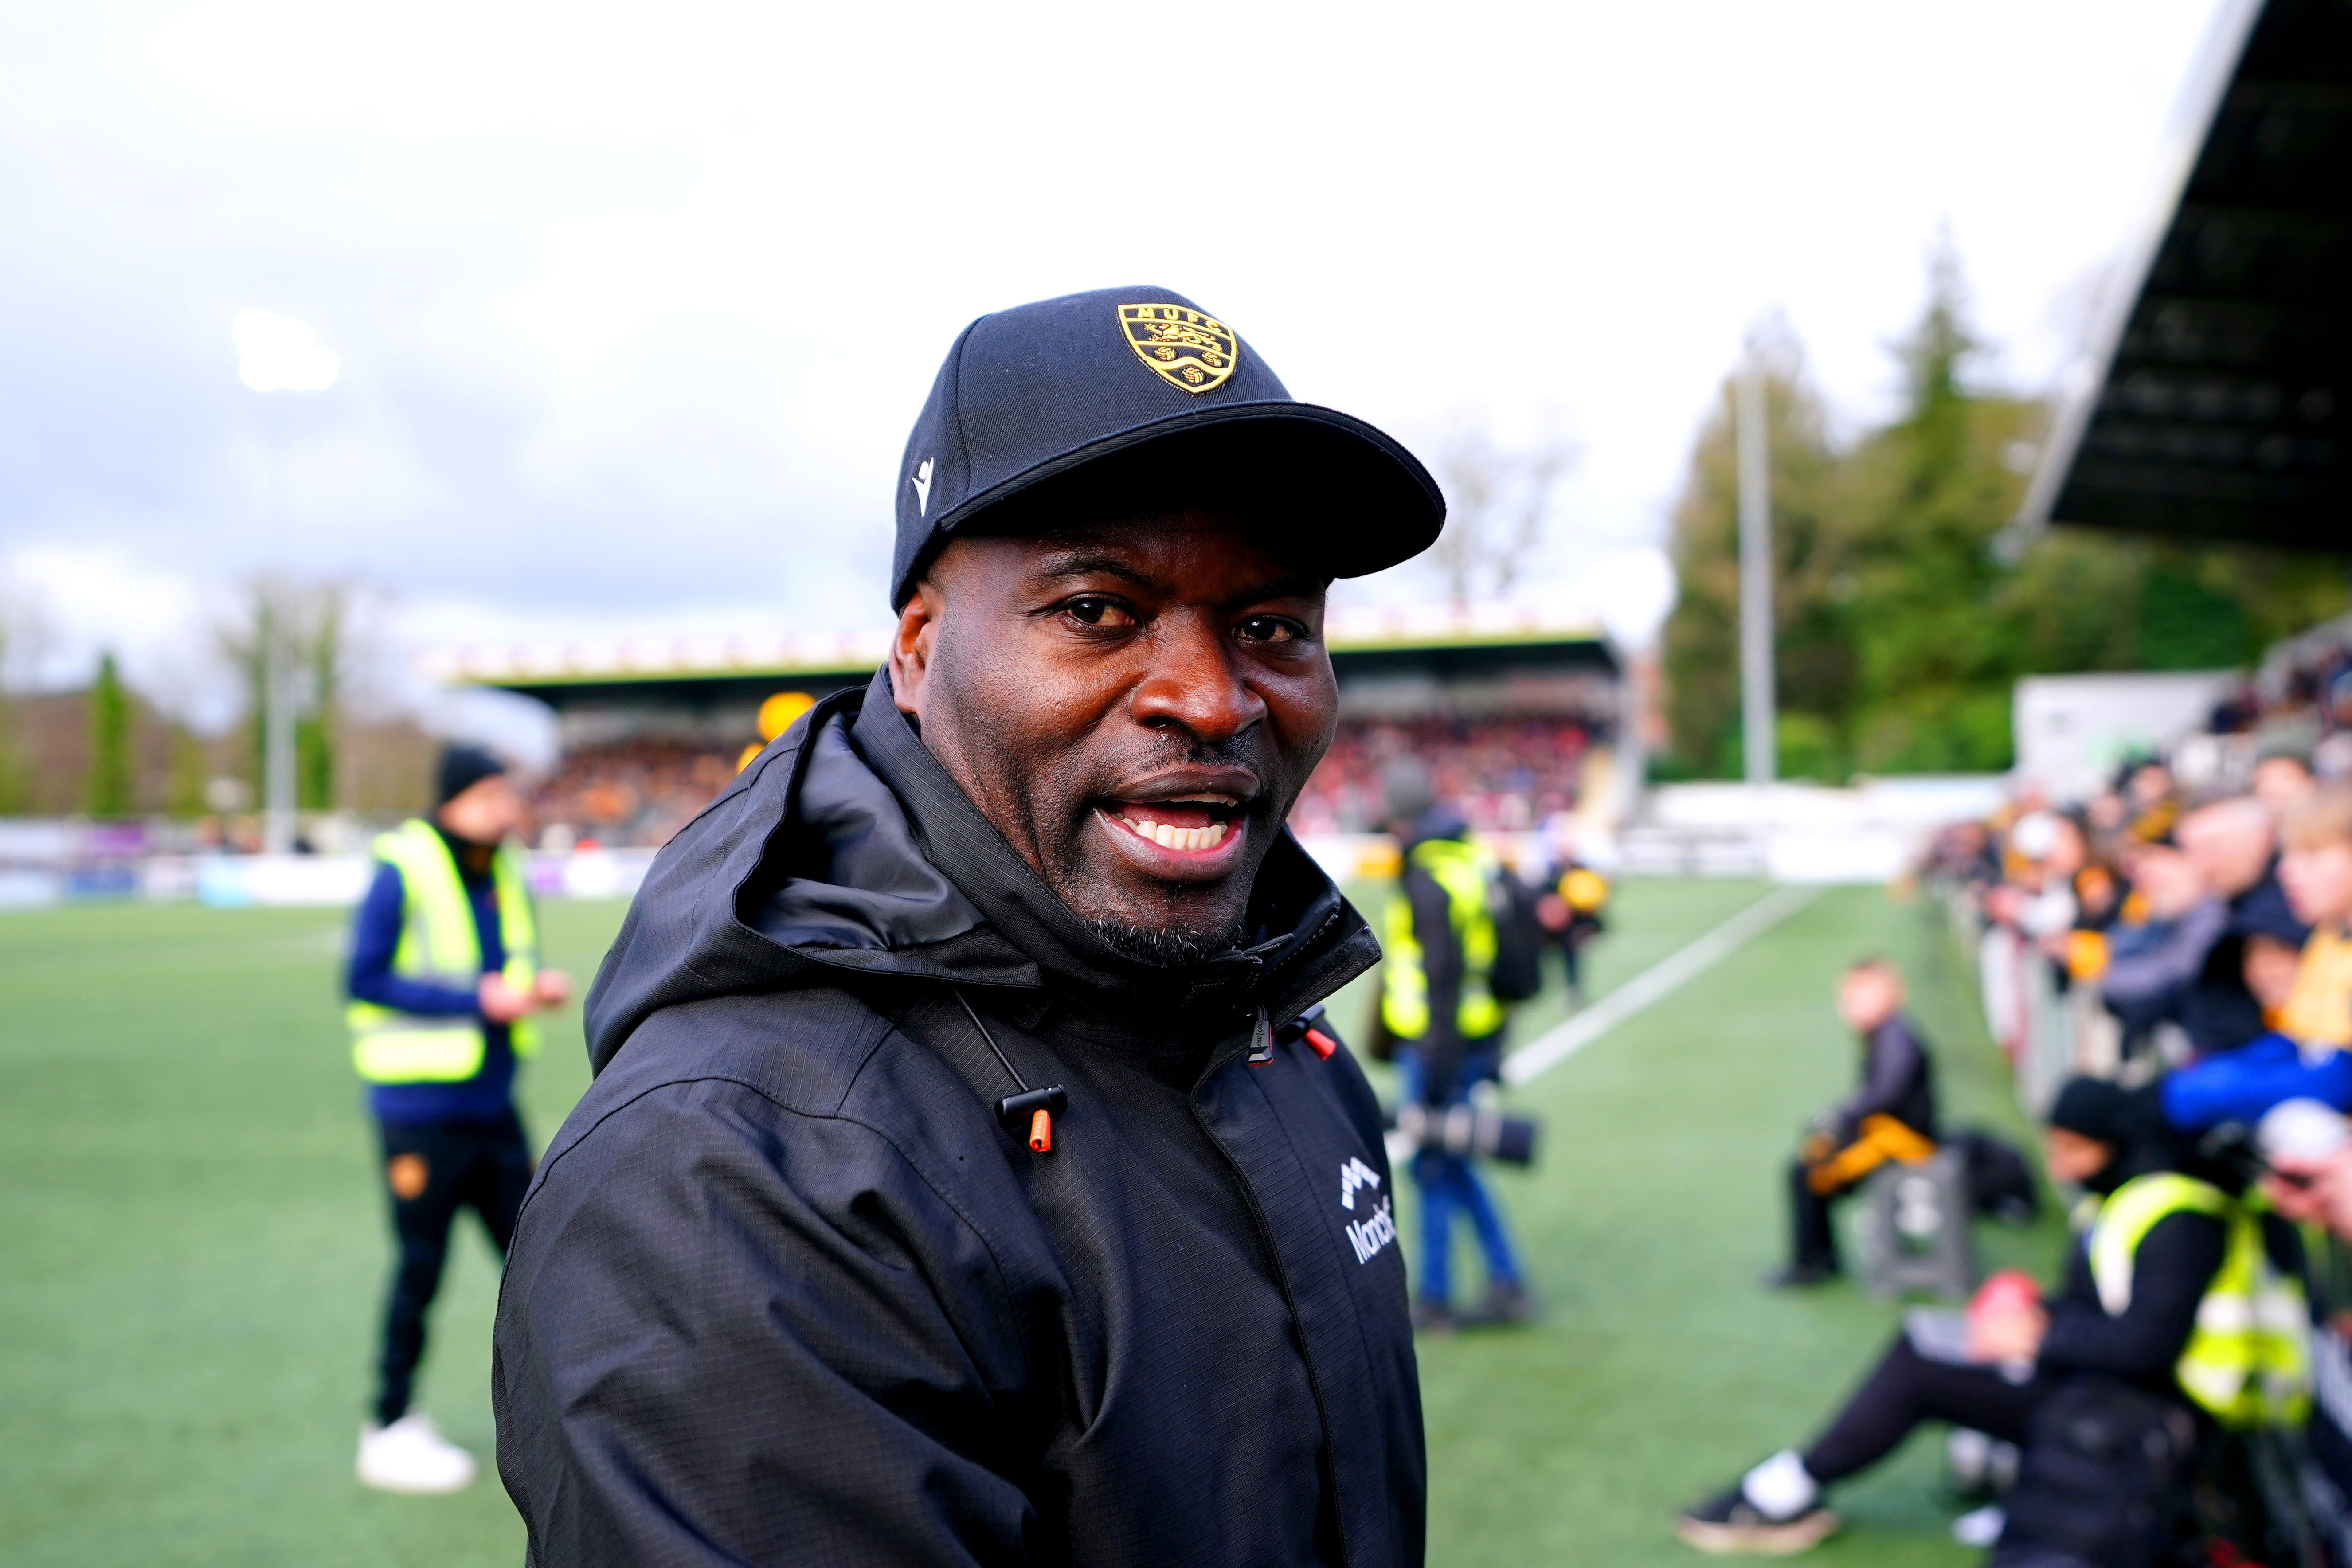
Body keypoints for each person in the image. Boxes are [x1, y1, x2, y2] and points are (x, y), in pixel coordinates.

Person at [492, 286, 1443, 1566]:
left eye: (1270, 627)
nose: (1214, 700)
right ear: (920, 648)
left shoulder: (1275, 1032)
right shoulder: (731, 1178)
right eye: (1099, 610)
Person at [1680, 1078, 2306, 1556]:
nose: (2058, 1165)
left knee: (1926, 1362)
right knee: (1936, 1340)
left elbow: (2146, 1346)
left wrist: (2039, 1334)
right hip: (2106, 1392)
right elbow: (2096, 1312)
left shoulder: (2179, 1215)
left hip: (2160, 1421)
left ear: (2112, 1145)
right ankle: (1796, 1483)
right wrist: (2032, 1316)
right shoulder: (2123, 1199)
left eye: (2071, 1149)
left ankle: (1784, 1491)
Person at [347, 745, 571, 1494]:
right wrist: (480, 999)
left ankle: (581, 1413)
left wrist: (526, 990)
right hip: (420, 1113)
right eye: (492, 792)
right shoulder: (405, 864)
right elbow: (365, 976)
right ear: (454, 799)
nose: (508, 804)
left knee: (546, 1258)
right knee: (421, 1269)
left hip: (491, 1106)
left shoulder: (504, 865)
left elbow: (499, 963)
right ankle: (387, 1425)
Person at [1379, 759, 1531, 1334]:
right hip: (1471, 1037)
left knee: (1434, 1165)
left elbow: (1438, 978)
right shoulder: (1467, 859)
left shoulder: (1425, 876)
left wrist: (1436, 1076)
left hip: (1436, 1047)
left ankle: (1437, 1296)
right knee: (1453, 1161)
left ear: (1399, 821)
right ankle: (1505, 1280)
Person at [1768, 958, 1938, 1289]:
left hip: (1901, 1143)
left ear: (1890, 994)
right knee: (1809, 1164)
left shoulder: (1895, 1037)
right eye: (1846, 996)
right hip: (1886, 1134)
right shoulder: (1886, 1033)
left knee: (1807, 1172)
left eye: (1859, 995)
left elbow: (1883, 1094)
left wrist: (1838, 1118)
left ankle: (1812, 1262)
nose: (1848, 1004)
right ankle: (1819, 1257)